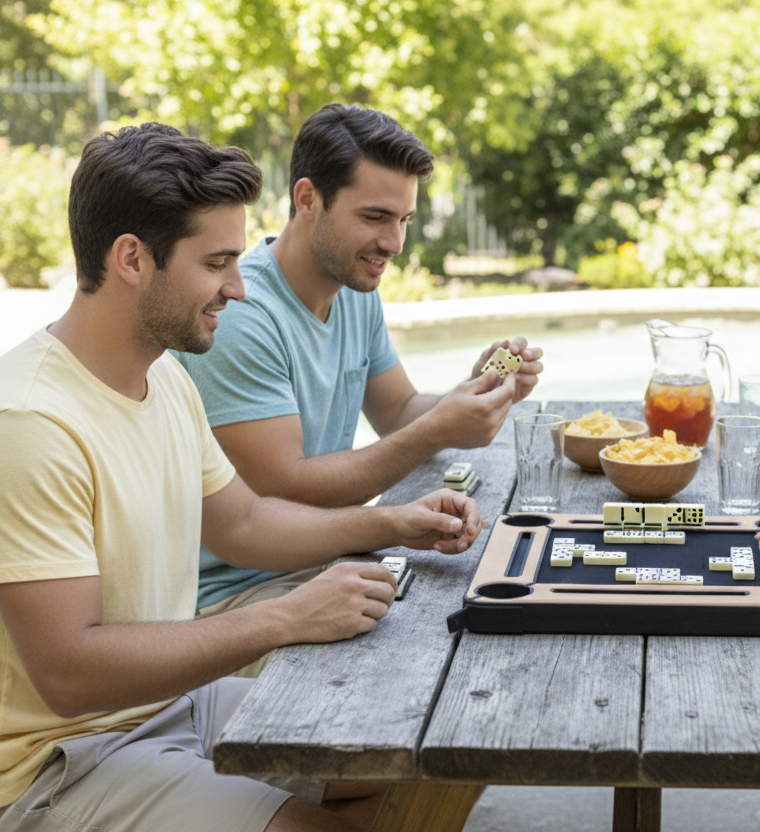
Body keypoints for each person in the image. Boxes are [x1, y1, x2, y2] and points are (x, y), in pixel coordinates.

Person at [0, 123, 483, 832]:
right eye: (218, 262)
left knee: (409, 749)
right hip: (63, 761)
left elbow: (244, 524)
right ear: (132, 258)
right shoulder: (32, 422)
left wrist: (395, 521)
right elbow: (70, 670)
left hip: (174, 707)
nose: (239, 286)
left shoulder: (163, 378)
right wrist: (285, 616)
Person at [175, 104, 542, 623]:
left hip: (323, 563)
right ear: (308, 199)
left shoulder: (352, 286)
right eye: (374, 217)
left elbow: (399, 410)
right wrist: (436, 432)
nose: (393, 243)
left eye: (403, 220)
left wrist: (476, 389)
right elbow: (284, 487)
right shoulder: (241, 313)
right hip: (238, 598)